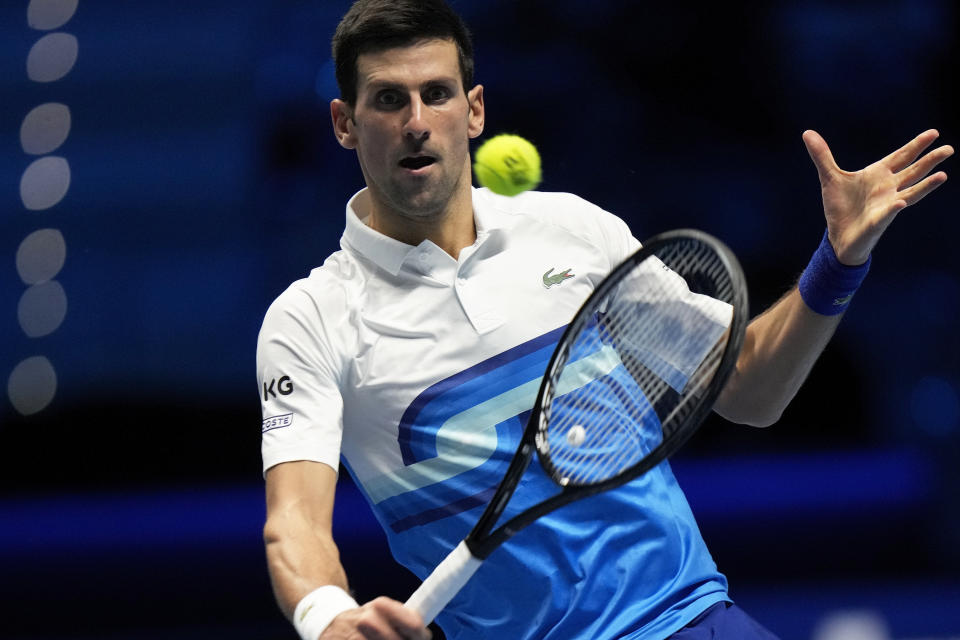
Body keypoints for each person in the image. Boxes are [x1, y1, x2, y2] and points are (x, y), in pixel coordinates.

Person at [257, 1, 953, 639]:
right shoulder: (311, 320)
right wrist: (327, 617)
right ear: (345, 123)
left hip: (690, 618)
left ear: (473, 111)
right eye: (387, 100)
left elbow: (747, 387)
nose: (415, 121)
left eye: (436, 94)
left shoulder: (571, 230)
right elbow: (294, 522)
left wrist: (836, 262)